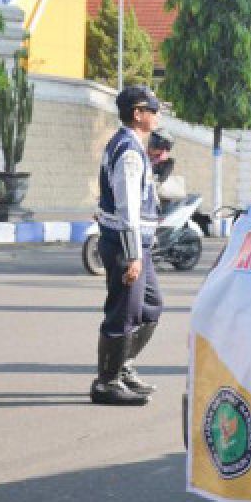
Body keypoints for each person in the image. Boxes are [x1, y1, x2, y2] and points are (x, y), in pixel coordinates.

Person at [90, 84, 165, 405]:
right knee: (124, 313)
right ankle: (107, 383)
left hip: (137, 246)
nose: (158, 116)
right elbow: (127, 209)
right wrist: (133, 255)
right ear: (138, 114)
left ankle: (123, 367)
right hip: (126, 246)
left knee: (150, 306)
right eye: (153, 110)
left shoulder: (132, 146)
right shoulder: (130, 153)